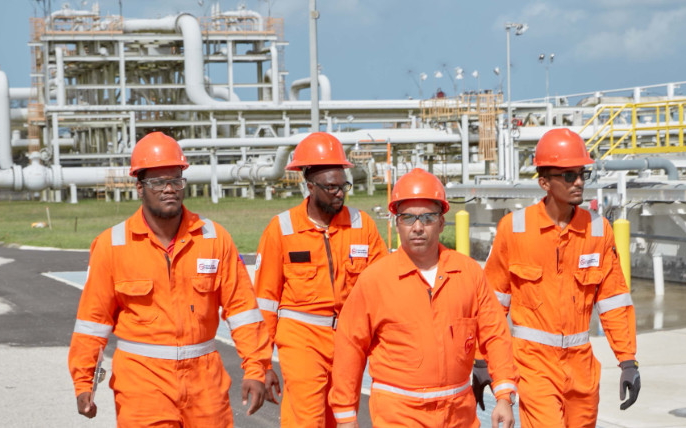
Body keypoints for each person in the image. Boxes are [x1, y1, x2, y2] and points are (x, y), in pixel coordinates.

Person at [67, 132, 275, 427]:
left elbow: (243, 311)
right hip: (142, 384)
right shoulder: (111, 245)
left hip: (206, 385)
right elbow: (92, 321)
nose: (169, 189)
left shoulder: (214, 238)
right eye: (157, 182)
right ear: (139, 187)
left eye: (176, 180)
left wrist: (256, 368)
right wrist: (83, 382)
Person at [330, 168, 517, 428]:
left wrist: (504, 396)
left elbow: (495, 335)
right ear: (397, 223)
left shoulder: (468, 273)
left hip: (458, 415)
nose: (417, 227)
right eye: (408, 218)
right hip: (399, 415)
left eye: (428, 218)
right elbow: (350, 347)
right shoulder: (375, 280)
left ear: (441, 222)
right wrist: (345, 416)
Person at [482, 128, 639, 428]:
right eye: (568, 176)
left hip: (581, 369)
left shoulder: (598, 230)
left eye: (582, 173)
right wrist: (481, 360)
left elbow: (614, 301)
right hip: (533, 365)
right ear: (544, 182)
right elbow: (490, 305)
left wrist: (627, 360)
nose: (578, 181)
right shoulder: (514, 229)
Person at [253, 132, 389, 427]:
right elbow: (265, 302)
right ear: (310, 186)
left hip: (349, 340)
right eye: (331, 188)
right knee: (307, 418)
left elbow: (386, 284)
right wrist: (261, 364)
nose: (340, 194)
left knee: (341, 415)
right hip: (301, 339)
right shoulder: (282, 229)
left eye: (343, 186)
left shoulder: (361, 225)